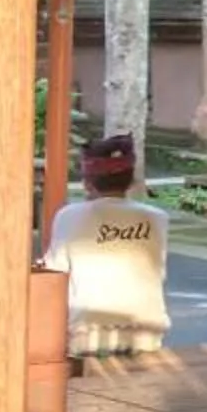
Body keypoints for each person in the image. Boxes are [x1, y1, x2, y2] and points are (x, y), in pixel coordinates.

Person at [45, 134, 169, 356]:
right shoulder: (158, 218)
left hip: (86, 333)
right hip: (146, 330)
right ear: (131, 181)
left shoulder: (68, 216)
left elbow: (55, 272)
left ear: (87, 181)